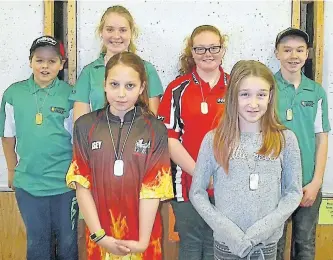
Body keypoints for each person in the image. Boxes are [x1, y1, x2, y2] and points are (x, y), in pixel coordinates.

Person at [189, 60, 303, 260]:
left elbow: (293, 193)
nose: (253, 103)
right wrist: (231, 234)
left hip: (265, 246)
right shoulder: (214, 140)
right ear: (233, 97)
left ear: (270, 97)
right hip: (227, 246)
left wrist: (258, 233)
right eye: (245, 94)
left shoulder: (286, 139)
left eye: (261, 95)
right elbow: (197, 193)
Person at [66, 51, 173, 260]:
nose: (121, 94)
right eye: (114, 85)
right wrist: (99, 236)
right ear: (104, 84)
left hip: (143, 240)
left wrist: (142, 242)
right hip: (99, 237)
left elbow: (153, 190)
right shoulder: (85, 126)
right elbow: (81, 186)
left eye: (130, 86)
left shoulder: (156, 130)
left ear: (142, 87)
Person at [0, 36, 78, 260]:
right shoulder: (14, 94)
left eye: (52, 61)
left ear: (62, 64)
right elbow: (7, 136)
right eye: (39, 60)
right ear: (30, 61)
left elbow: (77, 140)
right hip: (28, 185)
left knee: (68, 244)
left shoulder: (71, 95)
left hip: (65, 185)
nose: (45, 66)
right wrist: (12, 171)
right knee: (37, 245)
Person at [157, 25, 229, 260]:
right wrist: (200, 173)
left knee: (216, 245)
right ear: (192, 51)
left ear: (222, 48)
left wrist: (218, 175)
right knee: (191, 244)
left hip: (227, 183)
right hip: (185, 182)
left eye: (213, 47)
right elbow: (169, 139)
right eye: (200, 48)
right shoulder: (176, 89)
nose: (207, 53)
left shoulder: (237, 86)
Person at [274, 28, 331, 260]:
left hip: (308, 184)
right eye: (287, 50)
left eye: (299, 50)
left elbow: (322, 137)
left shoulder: (316, 91)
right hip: (274, 184)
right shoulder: (266, 87)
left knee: (305, 246)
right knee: (273, 245)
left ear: (307, 54)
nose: (293, 56)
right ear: (277, 53)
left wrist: (316, 181)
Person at [70, 5, 163, 120]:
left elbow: (154, 120)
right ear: (101, 32)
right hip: (98, 137)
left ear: (131, 32)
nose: (116, 36)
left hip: (138, 137)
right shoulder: (89, 72)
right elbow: (80, 125)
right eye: (110, 29)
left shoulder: (147, 69)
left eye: (122, 30)